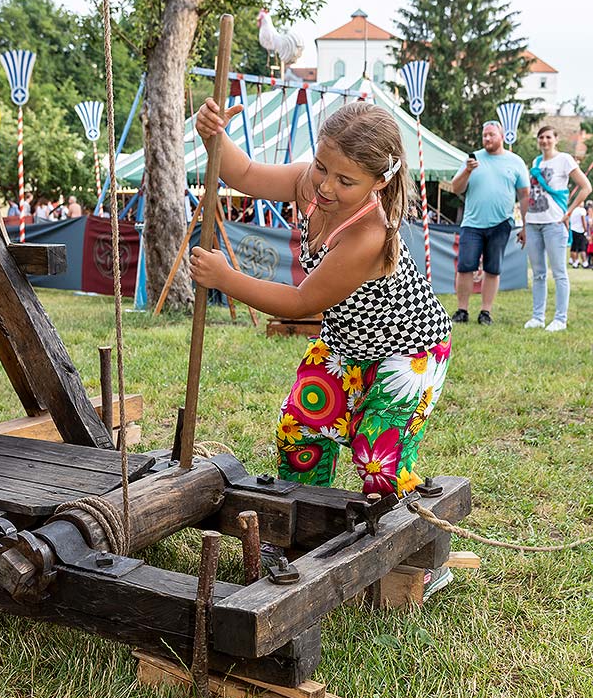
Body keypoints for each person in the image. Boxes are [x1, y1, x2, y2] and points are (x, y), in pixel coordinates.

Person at [190, 98, 454, 599]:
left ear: (380, 180)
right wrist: (214, 138)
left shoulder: (370, 236)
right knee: (301, 429)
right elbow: (242, 172)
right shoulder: (312, 182)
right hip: (347, 344)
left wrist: (228, 277)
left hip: (408, 355)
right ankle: (299, 534)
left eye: (345, 180)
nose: (326, 186)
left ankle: (420, 555)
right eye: (321, 167)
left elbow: (301, 301)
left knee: (377, 457)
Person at [450, 120, 530, 326]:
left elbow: (524, 195)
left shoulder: (515, 161)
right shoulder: (472, 159)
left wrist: (526, 225)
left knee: (493, 269)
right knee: (465, 267)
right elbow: (455, 188)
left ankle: (485, 312)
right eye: (484, 135)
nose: (487, 138)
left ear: (501, 136)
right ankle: (462, 310)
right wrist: (467, 171)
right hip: (472, 223)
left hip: (501, 223)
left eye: (491, 135)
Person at [523, 126, 592, 331]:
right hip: (534, 222)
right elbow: (530, 194)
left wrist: (569, 213)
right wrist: (525, 222)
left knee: (559, 272)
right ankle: (538, 317)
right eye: (541, 137)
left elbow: (586, 186)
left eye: (548, 137)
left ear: (556, 139)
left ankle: (560, 319)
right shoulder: (536, 162)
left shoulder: (564, 160)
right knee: (538, 273)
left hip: (554, 223)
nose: (544, 141)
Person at [568, 202, 588, 268]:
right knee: (582, 248)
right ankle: (585, 262)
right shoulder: (582, 210)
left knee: (574, 247)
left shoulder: (573, 210)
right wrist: (585, 229)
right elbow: (583, 220)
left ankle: (575, 262)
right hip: (580, 230)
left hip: (573, 229)